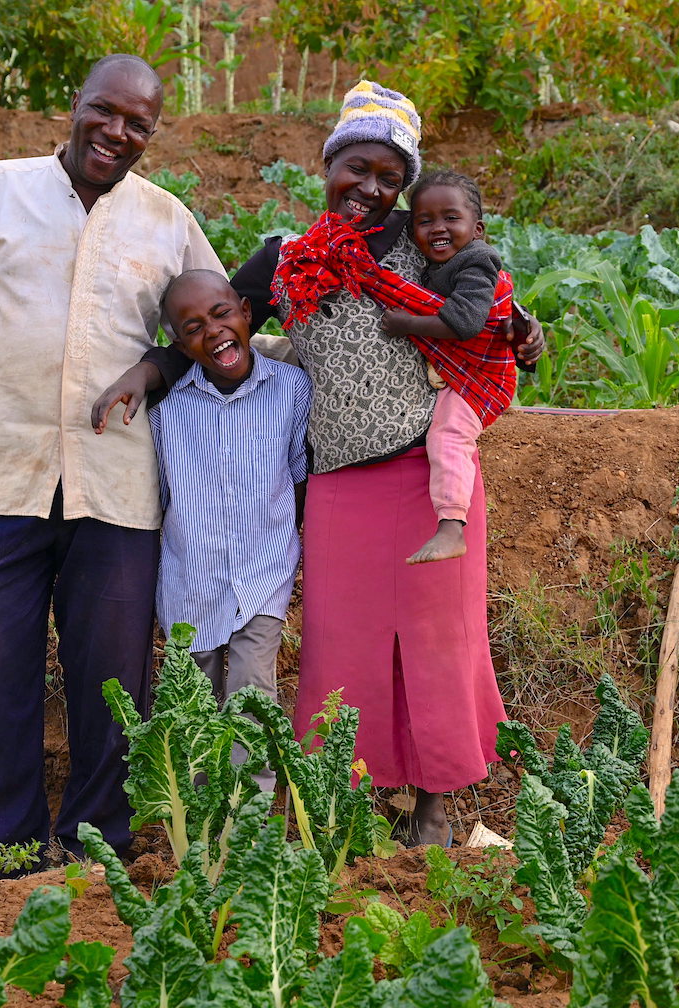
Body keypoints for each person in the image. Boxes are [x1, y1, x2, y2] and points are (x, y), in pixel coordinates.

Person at [93, 81, 544, 847]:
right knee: (347, 649)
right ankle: (354, 805)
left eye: (389, 176)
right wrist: (147, 371)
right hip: (338, 485)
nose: (370, 188)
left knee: (437, 644)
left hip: (427, 480)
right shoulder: (287, 260)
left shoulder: (426, 241)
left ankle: (432, 814)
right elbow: (214, 325)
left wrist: (529, 331)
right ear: (328, 163)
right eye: (357, 168)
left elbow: (491, 299)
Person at [0, 54, 222, 888]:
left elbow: (217, 329)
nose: (117, 134)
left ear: (151, 135)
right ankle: (5, 850)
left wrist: (155, 369)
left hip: (116, 491)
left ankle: (97, 850)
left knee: (113, 682)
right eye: (106, 113)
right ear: (74, 104)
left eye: (138, 125)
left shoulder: (167, 220)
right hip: (0, 482)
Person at [145, 269, 311, 794]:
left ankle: (250, 832)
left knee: (251, 698)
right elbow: (164, 500)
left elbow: (299, 478)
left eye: (221, 314)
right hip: (188, 586)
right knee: (194, 710)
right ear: (177, 343)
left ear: (244, 310)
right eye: (192, 327)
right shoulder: (166, 413)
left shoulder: (290, 389)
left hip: (260, 577)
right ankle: (200, 830)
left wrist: (289, 545)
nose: (213, 331)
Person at [375, 169, 517, 565]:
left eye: (451, 218)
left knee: (448, 435)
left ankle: (452, 526)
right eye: (425, 220)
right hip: (456, 374)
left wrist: (408, 324)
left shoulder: (476, 261)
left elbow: (467, 323)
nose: (438, 228)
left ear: (478, 229)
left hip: (481, 377)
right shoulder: (435, 264)